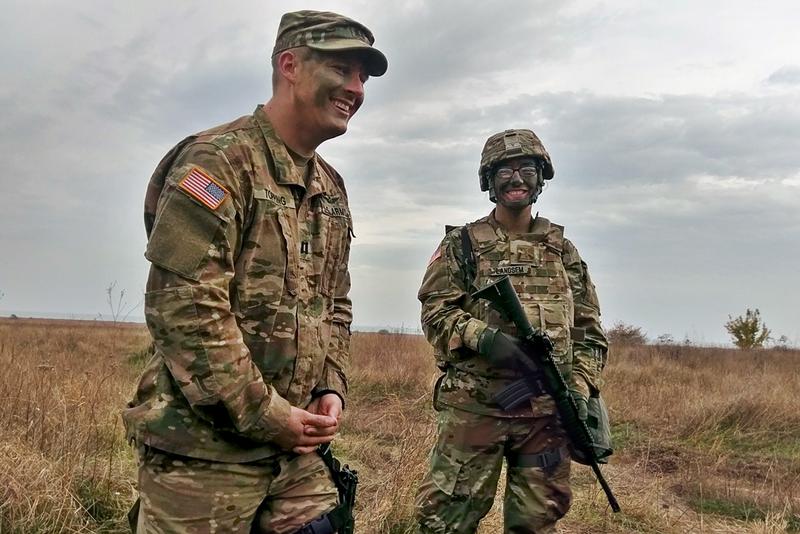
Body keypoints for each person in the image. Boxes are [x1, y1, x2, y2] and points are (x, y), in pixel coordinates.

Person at [122, 10, 387, 534]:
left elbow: (334, 302)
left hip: (293, 453)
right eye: (342, 70)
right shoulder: (218, 163)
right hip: (203, 453)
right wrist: (269, 416)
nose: (355, 88)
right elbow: (185, 310)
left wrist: (330, 386)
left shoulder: (330, 188)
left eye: (362, 77)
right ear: (289, 65)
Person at [415, 129, 609, 533]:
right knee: (445, 521)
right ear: (489, 180)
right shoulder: (462, 244)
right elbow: (435, 312)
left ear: (541, 178)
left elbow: (589, 333)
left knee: (537, 523)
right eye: (504, 170)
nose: (516, 178)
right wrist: (484, 338)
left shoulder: (563, 250)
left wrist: (578, 387)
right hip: (476, 410)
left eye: (526, 168)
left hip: (544, 416)